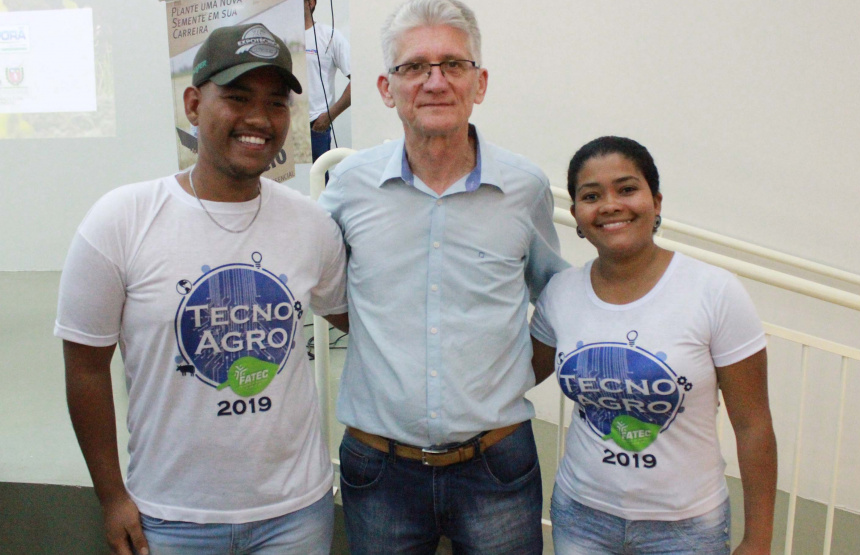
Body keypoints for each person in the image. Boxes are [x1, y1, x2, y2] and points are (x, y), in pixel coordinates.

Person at [55, 23, 347, 555]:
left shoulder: (312, 225)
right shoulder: (120, 221)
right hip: (169, 518)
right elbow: (85, 368)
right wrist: (112, 496)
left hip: (294, 516)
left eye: (276, 103)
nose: (259, 119)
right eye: (236, 98)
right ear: (193, 104)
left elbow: (364, 321)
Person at [318, 0, 567, 552]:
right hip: (379, 467)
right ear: (386, 87)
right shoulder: (349, 186)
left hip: (496, 466)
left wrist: (508, 378)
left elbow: (558, 298)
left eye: (453, 65)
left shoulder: (523, 188)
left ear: (479, 82)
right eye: (414, 67)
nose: (435, 81)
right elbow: (325, 286)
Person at [530, 136, 777, 554]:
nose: (610, 205)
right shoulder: (561, 292)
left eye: (627, 189)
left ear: (656, 202)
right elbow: (518, 373)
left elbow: (753, 426)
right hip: (581, 516)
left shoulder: (714, 292)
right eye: (592, 195)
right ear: (576, 214)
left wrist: (758, 540)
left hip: (686, 528)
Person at [304, 0, 351, 163]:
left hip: (315, 126)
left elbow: (357, 80)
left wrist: (328, 117)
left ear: (310, 3)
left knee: (318, 181)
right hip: (286, 125)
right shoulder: (279, 37)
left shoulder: (329, 36)